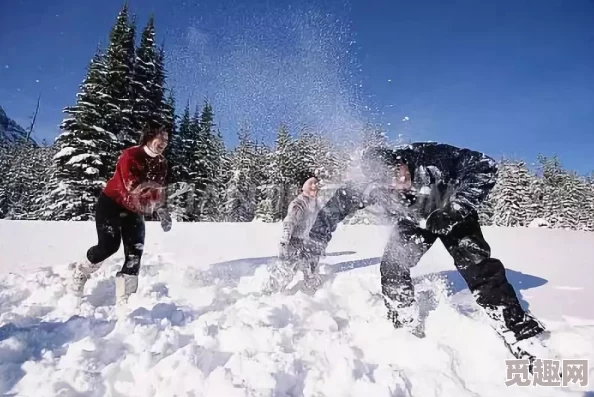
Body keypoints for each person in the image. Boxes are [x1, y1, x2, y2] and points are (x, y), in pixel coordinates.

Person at [304, 142, 550, 368]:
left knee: (477, 267)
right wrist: (315, 241)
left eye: (398, 172)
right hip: (414, 220)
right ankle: (404, 321)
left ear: (400, 160)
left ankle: (519, 330)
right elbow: (333, 210)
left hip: (452, 212)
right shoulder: (368, 187)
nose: (398, 181)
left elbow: (485, 167)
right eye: (388, 180)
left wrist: (455, 209)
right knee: (393, 266)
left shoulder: (432, 156)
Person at [68, 123, 173, 304]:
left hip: (134, 211)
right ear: (149, 137)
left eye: (167, 140)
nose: (164, 143)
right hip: (112, 205)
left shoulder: (162, 164)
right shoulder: (130, 155)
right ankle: (81, 271)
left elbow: (158, 190)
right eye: (160, 139)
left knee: (135, 253)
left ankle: (126, 301)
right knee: (108, 246)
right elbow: (132, 186)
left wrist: (162, 208)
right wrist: (151, 197)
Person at [266, 176, 322, 294]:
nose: (314, 186)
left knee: (311, 270)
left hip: (306, 243)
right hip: (293, 242)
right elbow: (289, 221)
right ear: (304, 187)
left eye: (316, 184)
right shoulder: (299, 203)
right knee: (285, 271)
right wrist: (285, 239)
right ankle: (270, 293)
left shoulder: (314, 204)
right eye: (311, 183)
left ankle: (310, 296)